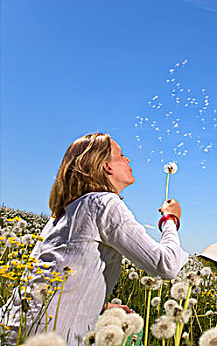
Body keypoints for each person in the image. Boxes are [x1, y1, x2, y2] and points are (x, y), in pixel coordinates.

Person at [0, 133, 189, 345]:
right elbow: (166, 265)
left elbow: (59, 278)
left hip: (14, 329)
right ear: (106, 166)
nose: (128, 160)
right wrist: (170, 219)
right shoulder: (104, 203)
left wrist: (102, 307)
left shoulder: (63, 212)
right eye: (121, 155)